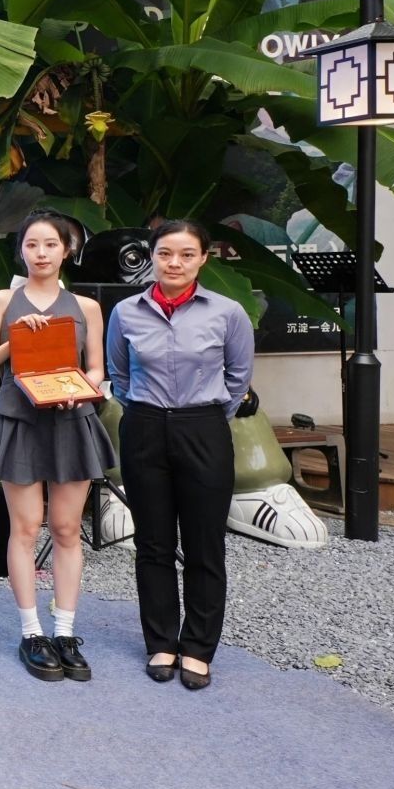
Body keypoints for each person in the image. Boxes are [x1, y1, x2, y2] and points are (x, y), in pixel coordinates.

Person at [105, 219, 254, 691]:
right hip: (144, 428)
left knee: (204, 543)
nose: (175, 263)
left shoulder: (228, 313)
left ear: (203, 258)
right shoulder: (126, 312)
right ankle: (161, 642)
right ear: (152, 256)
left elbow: (238, 378)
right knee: (153, 544)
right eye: (166, 253)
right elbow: (119, 375)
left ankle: (198, 648)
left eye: (187, 254)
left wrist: (201, 417)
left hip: (203, 428)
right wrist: (150, 413)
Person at [0, 211, 115, 683]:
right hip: (20, 419)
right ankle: (31, 632)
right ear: (21, 251)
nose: (41, 253)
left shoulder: (86, 306)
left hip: (71, 419)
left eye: (50, 244)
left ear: (66, 250)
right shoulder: (2, 300)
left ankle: (66, 632)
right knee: (26, 527)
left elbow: (96, 368)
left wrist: (82, 389)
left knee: (67, 527)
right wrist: (16, 340)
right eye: (31, 244)